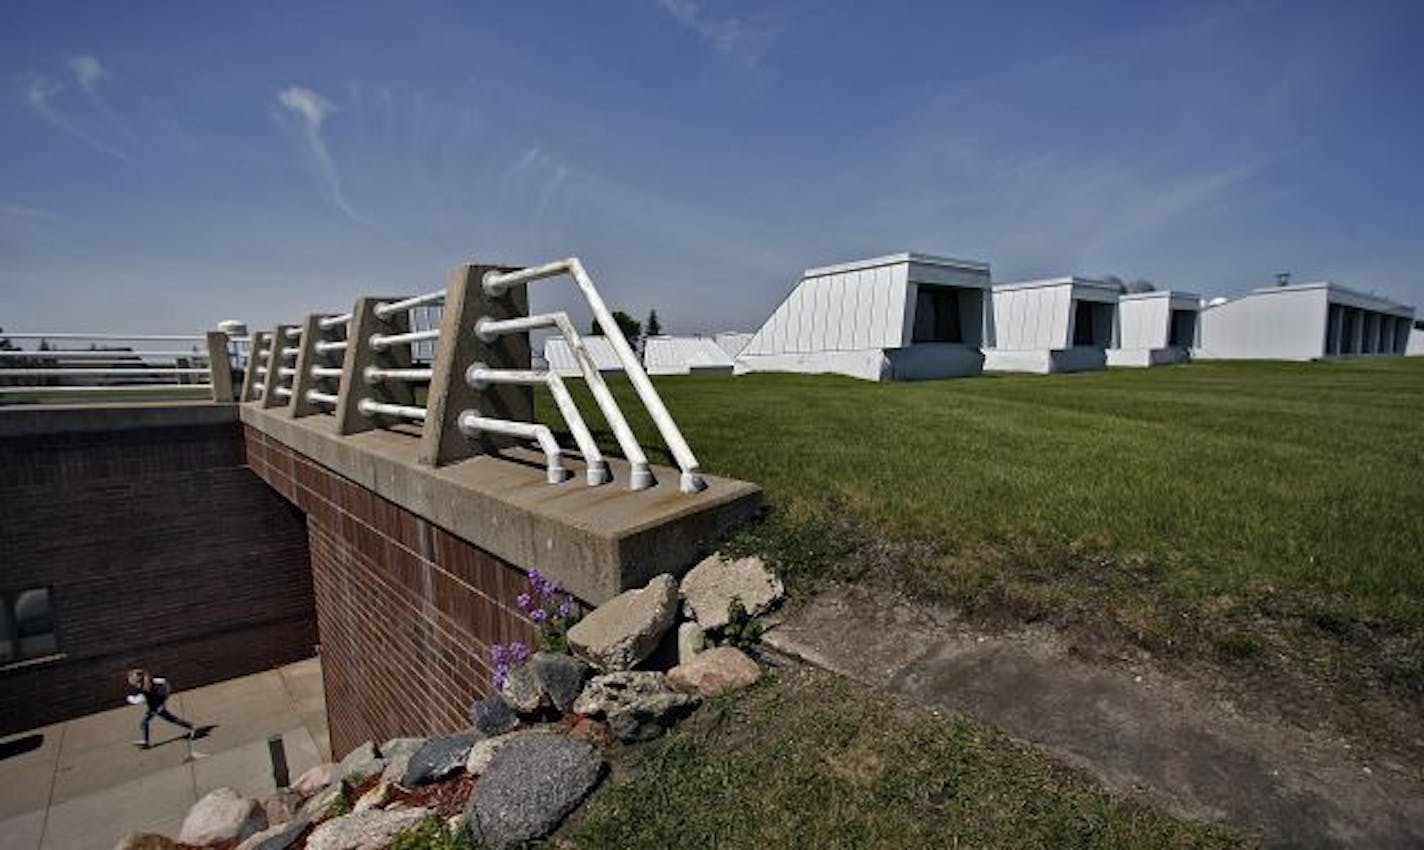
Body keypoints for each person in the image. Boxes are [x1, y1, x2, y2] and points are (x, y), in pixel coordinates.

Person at [125, 668, 196, 748]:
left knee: (170, 719)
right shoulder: (150, 681)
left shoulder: (143, 688)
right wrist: (166, 694)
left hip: (156, 708)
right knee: (145, 723)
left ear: (137, 679)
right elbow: (164, 681)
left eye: (132, 680)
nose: (131, 682)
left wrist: (130, 699)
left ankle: (190, 726)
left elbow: (140, 700)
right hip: (156, 705)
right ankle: (145, 741)